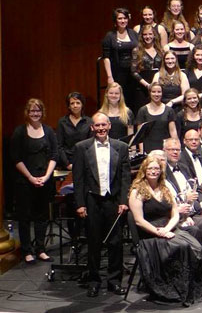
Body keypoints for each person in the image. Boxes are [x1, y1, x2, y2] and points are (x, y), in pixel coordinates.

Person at [129, 156, 202, 305]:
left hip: (168, 227)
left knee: (196, 247)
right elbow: (139, 220)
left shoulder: (165, 188)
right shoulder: (137, 191)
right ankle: (176, 289)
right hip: (149, 233)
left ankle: (191, 287)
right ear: (144, 170)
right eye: (150, 168)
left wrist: (168, 228)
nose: (153, 171)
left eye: (156, 168)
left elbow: (175, 213)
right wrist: (159, 232)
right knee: (181, 246)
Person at [73, 113, 131, 297]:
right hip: (92, 200)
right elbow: (78, 179)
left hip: (113, 200)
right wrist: (80, 204)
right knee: (94, 243)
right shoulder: (81, 147)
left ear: (109, 126)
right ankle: (94, 281)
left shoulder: (121, 147)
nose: (100, 128)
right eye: (97, 125)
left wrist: (123, 201)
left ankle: (114, 281)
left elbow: (125, 177)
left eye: (103, 125)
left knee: (116, 242)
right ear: (92, 127)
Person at [11, 99, 59, 264]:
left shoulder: (49, 131)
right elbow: (16, 158)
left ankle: (40, 249)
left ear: (42, 112)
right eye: (32, 111)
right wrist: (31, 178)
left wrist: (45, 177)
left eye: (38, 110)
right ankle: (27, 251)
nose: (35, 114)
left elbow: (54, 155)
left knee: (42, 216)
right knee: (24, 217)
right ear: (27, 112)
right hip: (25, 181)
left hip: (44, 180)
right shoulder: (19, 132)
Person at [135, 83, 179, 152]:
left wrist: (176, 147)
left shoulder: (169, 110)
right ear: (149, 93)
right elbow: (140, 135)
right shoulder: (143, 110)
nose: (156, 94)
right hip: (148, 149)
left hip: (165, 149)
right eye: (153, 92)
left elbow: (173, 132)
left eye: (159, 92)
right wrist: (141, 152)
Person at [55, 92, 92, 169]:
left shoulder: (89, 122)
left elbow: (90, 145)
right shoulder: (62, 122)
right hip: (66, 163)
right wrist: (67, 164)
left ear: (82, 105)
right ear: (69, 106)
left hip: (84, 163)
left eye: (78, 103)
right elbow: (59, 146)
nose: (75, 106)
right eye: (72, 103)